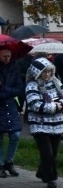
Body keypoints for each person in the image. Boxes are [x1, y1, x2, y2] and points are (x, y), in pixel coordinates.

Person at [25, 58, 63, 188]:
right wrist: (53, 106)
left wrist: (62, 104)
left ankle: (41, 172)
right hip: (39, 124)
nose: (48, 75)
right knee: (47, 153)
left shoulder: (56, 82)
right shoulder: (32, 85)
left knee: (54, 153)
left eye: (50, 72)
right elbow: (34, 104)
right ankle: (51, 178)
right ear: (37, 73)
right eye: (45, 72)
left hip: (56, 124)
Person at [0, 46, 23, 178]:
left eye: (9, 56)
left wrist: (4, 89)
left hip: (10, 104)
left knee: (15, 135)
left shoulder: (14, 69)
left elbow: (18, 87)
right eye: (4, 56)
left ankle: (10, 161)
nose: (7, 59)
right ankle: (1, 164)